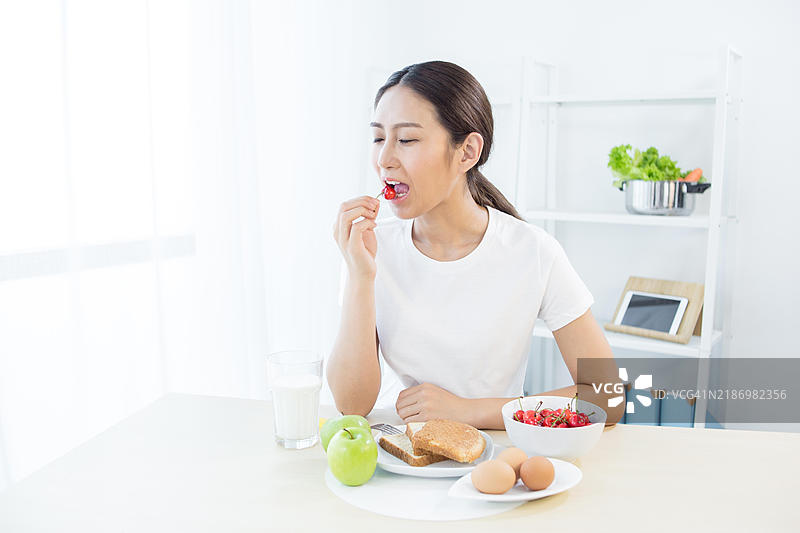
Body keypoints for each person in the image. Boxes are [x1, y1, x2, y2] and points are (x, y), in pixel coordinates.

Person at [328, 61, 623, 430]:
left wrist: (471, 411)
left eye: (406, 140)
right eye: (378, 138)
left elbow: (608, 396)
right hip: (395, 446)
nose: (384, 159)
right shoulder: (372, 249)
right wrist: (360, 275)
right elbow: (351, 404)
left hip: (494, 452)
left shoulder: (533, 251)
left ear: (467, 152)